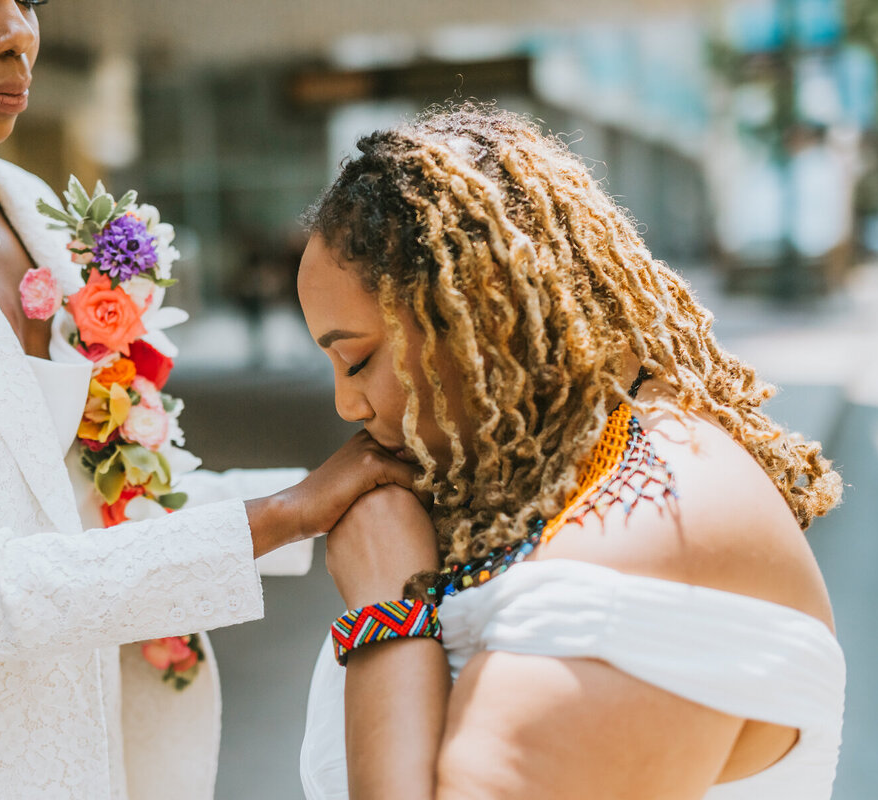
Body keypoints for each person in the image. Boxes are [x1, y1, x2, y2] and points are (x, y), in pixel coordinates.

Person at [0, 2, 417, 798]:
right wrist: (288, 513)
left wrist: (351, 492)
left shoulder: (34, 207)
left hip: (106, 757)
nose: (15, 35)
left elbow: (102, 509)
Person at [297, 105, 846, 799]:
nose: (347, 406)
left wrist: (386, 606)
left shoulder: (656, 534)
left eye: (356, 360)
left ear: (484, 310)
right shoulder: (555, 478)